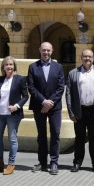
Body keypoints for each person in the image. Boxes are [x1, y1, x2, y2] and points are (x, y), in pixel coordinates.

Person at [66, 49, 94, 173]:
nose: (87, 59)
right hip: (79, 111)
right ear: (81, 58)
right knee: (79, 138)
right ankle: (77, 162)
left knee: (93, 138)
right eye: (85, 56)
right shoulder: (73, 73)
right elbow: (68, 94)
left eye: (89, 56)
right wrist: (71, 112)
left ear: (93, 58)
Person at [27, 42, 65, 175]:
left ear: (52, 51)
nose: (46, 53)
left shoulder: (58, 67)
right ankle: (42, 162)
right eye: (44, 50)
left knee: (55, 134)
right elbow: (31, 87)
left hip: (54, 107)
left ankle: (54, 162)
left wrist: (50, 103)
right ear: (39, 50)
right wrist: (43, 101)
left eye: (48, 50)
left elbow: (61, 87)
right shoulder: (33, 67)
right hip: (39, 106)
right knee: (41, 135)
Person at [0, 56, 29, 175]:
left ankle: (11, 164)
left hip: (13, 115)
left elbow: (26, 96)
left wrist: (16, 106)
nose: (9, 66)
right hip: (0, 115)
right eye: (7, 64)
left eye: (11, 64)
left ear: (14, 66)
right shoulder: (0, 79)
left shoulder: (20, 79)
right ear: (3, 67)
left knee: (12, 139)